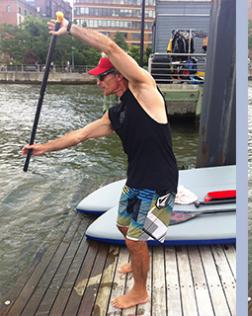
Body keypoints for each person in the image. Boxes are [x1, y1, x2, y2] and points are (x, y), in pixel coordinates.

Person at [21, 17, 178, 309]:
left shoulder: (146, 91)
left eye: (102, 76)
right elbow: (79, 135)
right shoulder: (116, 114)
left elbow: (110, 46)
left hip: (159, 183)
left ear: (118, 75)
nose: (97, 82)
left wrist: (70, 30)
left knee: (135, 239)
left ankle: (140, 290)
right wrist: (43, 148)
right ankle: (139, 257)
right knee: (122, 227)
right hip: (136, 181)